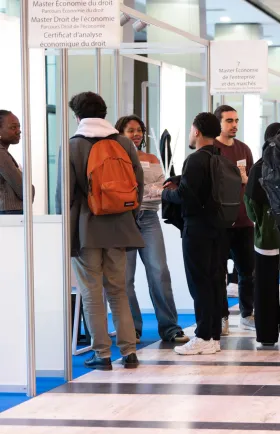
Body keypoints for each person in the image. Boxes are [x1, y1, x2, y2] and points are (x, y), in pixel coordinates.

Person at [55, 92, 143, 370]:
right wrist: (128, 217)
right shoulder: (124, 143)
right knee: (118, 290)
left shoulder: (73, 145)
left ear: (77, 116)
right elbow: (138, 185)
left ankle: (102, 354)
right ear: (104, 113)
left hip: (86, 230)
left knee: (91, 292)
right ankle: (129, 351)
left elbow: (64, 194)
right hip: (119, 227)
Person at [115, 115, 188, 344]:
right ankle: (131, 330)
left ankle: (170, 328)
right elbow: (123, 190)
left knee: (159, 273)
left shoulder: (151, 158)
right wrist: (148, 190)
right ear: (120, 133)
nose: (136, 134)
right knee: (125, 279)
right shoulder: (115, 158)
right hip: (123, 220)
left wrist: (143, 191)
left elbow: (160, 191)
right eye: (131, 130)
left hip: (148, 219)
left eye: (139, 130)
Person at [162, 112, 228, 356]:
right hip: (218, 227)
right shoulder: (219, 157)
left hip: (197, 229)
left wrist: (163, 193)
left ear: (197, 131)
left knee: (199, 283)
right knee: (214, 281)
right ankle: (213, 337)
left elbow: (185, 197)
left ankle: (203, 336)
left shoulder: (195, 159)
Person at [244, 122, 280, 347]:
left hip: (266, 238)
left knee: (264, 288)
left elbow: (250, 205)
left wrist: (262, 222)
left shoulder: (258, 167)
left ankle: (266, 335)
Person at [213, 105, 256, 335]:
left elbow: (252, 182)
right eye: (229, 120)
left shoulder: (243, 149)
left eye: (236, 120)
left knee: (247, 271)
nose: (234, 125)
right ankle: (221, 316)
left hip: (243, 221)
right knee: (218, 271)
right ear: (218, 123)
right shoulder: (212, 149)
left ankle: (247, 313)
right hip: (220, 222)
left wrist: (246, 179)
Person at [0, 110, 33, 214]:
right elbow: (25, 191)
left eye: (19, 127)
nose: (19, 131)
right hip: (9, 214)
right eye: (13, 127)